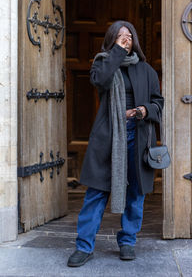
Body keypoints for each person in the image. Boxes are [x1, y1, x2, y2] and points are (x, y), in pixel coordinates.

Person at [67, 21, 164, 267]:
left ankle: (128, 241)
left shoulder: (147, 70)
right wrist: (117, 53)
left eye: (129, 35)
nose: (125, 38)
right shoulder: (103, 63)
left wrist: (144, 110)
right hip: (108, 138)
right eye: (120, 35)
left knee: (135, 193)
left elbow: (158, 103)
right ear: (112, 40)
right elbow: (100, 81)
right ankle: (84, 246)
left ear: (135, 40)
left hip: (138, 136)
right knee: (96, 193)